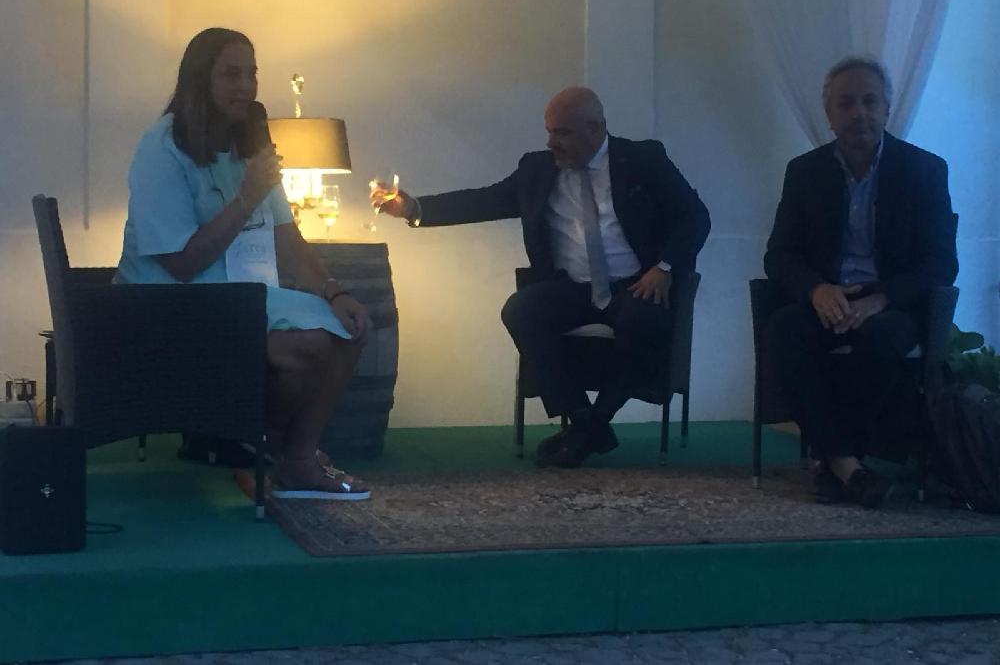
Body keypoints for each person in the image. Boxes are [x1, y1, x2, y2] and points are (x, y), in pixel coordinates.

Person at [375, 87, 710, 468]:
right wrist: (414, 209)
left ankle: (592, 424)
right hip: (572, 286)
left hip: (635, 284)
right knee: (520, 310)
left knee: (643, 318)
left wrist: (664, 267)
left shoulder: (643, 159)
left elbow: (695, 216)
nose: (552, 142)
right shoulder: (537, 169)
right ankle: (585, 422)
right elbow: (484, 200)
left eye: (562, 133)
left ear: (595, 128)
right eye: (549, 131)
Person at [115, 27, 372, 500]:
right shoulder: (161, 148)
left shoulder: (248, 146)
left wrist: (334, 292)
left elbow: (287, 238)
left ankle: (294, 457)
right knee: (306, 347)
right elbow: (182, 264)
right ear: (200, 81)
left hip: (236, 296)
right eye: (231, 74)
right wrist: (247, 197)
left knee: (350, 327)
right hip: (165, 305)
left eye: (252, 74)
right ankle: (271, 449)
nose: (246, 87)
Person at [763, 56, 958, 508]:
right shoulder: (804, 172)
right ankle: (849, 467)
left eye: (870, 101)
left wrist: (883, 297)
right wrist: (816, 290)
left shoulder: (924, 170)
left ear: (887, 107)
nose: (860, 113)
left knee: (883, 338)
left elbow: (940, 263)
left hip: (890, 301)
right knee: (783, 331)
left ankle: (835, 464)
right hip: (827, 296)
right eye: (846, 103)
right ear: (829, 114)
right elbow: (779, 254)